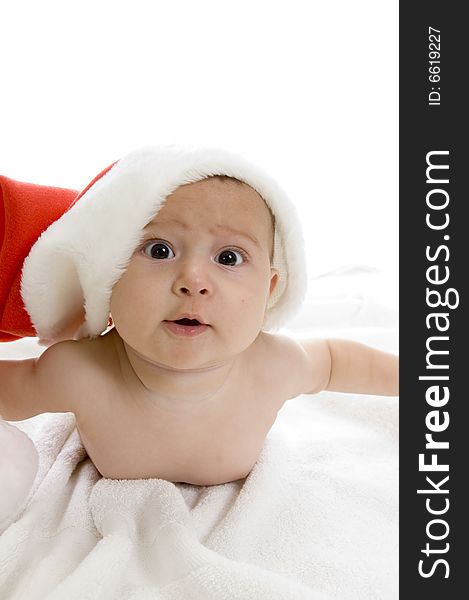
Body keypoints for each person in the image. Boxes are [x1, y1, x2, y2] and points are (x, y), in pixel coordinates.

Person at [0, 145, 398, 487]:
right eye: (160, 251)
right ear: (108, 274)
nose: (193, 280)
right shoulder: (79, 372)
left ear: (269, 290)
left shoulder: (274, 365)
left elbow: (335, 362)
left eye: (228, 257)